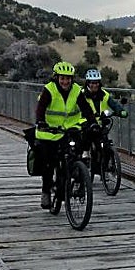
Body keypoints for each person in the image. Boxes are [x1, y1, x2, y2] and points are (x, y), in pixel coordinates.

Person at [34, 61, 87, 208]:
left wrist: (93, 122)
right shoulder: (49, 90)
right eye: (62, 78)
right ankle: (46, 191)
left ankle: (77, 176)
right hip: (49, 132)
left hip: (69, 129)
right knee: (48, 163)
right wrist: (41, 122)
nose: (65, 81)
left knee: (76, 153)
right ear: (56, 78)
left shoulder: (77, 90)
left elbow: (85, 108)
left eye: (68, 78)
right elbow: (40, 108)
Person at [77, 68, 128, 155]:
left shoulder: (104, 94)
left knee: (106, 143)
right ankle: (85, 153)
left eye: (97, 82)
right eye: (92, 83)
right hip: (85, 122)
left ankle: (107, 161)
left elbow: (114, 104)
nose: (95, 85)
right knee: (87, 137)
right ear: (87, 83)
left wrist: (121, 111)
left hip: (101, 122)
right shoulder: (81, 94)